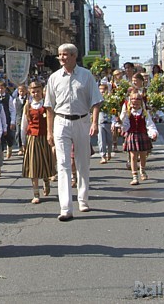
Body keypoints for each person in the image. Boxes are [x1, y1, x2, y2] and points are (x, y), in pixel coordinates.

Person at [44, 43, 103, 222]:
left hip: (82, 121)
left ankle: (83, 199)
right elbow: (49, 107)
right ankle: (65, 207)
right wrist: (49, 132)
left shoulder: (86, 76)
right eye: (60, 55)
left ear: (74, 56)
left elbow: (96, 101)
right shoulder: (54, 78)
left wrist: (94, 122)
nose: (62, 58)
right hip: (61, 121)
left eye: (65, 54)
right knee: (62, 164)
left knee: (82, 161)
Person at [20, 81, 55, 203]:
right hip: (32, 138)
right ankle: (36, 193)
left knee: (44, 163)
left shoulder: (47, 106)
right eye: (33, 92)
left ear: (42, 92)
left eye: (38, 91)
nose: (36, 94)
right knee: (33, 166)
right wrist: (23, 142)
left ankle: (46, 181)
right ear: (30, 92)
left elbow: (52, 121)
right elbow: (24, 125)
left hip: (44, 137)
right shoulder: (27, 106)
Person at [121, 90, 158, 185]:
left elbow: (150, 124)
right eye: (133, 104)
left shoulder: (144, 113)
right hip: (132, 135)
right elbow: (126, 126)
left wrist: (153, 133)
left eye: (137, 104)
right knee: (133, 156)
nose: (135, 106)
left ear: (140, 103)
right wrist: (122, 122)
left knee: (143, 155)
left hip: (142, 135)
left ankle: (142, 169)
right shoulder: (128, 113)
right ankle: (134, 176)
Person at [0, 82, 16, 160]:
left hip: (7, 119)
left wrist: (12, 121)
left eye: (2, 88)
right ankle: (0, 156)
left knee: (9, 137)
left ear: (5, 88)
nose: (0, 90)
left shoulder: (9, 97)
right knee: (0, 138)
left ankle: (10, 147)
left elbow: (12, 110)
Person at [97, 83, 114, 164]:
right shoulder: (97, 100)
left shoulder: (110, 100)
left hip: (109, 122)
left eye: (103, 90)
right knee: (101, 140)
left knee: (110, 140)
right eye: (100, 90)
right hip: (100, 122)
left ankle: (109, 152)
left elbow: (114, 110)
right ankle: (103, 156)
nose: (102, 92)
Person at [13, 84, 28, 156]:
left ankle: (26, 146)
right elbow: (14, 111)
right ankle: (20, 148)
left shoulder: (28, 100)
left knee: (26, 132)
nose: (22, 92)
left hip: (26, 118)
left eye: (23, 91)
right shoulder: (15, 100)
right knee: (18, 133)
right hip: (18, 118)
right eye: (20, 91)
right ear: (18, 91)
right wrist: (13, 121)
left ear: (26, 91)